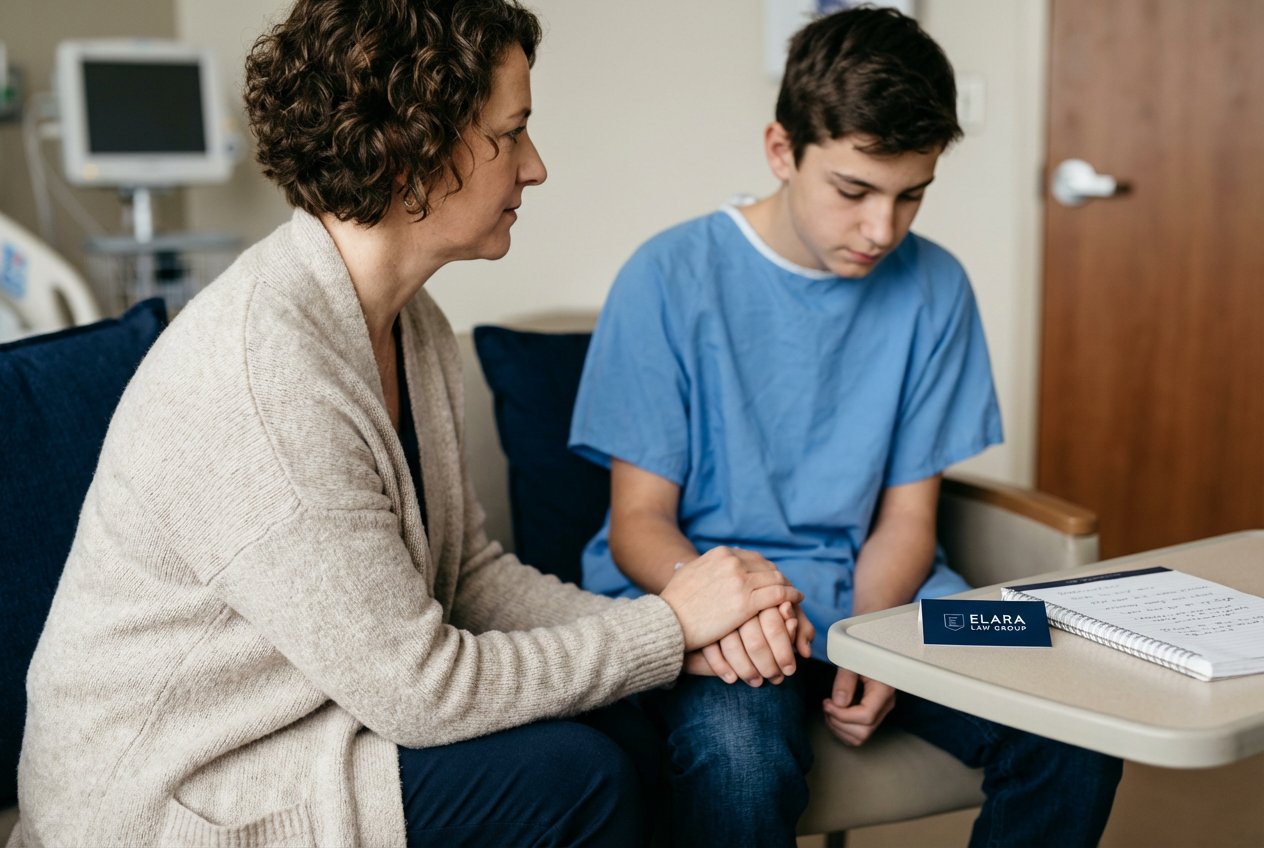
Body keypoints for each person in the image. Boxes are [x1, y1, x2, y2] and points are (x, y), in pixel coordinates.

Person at [13, 2, 812, 846]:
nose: (535, 167)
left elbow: (464, 577)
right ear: (411, 149)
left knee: (626, 730)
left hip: (310, 722)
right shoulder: (269, 380)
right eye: (511, 134)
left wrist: (669, 638)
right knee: (578, 779)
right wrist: (669, 626)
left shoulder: (406, 320)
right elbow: (422, 691)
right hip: (171, 796)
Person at [569, 7, 1123, 847]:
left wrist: (872, 641)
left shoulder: (936, 287)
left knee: (1078, 721)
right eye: (854, 192)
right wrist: (730, 608)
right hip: (712, 603)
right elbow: (638, 524)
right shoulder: (668, 276)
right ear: (781, 151)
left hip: (882, 600)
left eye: (912, 197)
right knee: (740, 758)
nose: (881, 231)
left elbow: (907, 519)